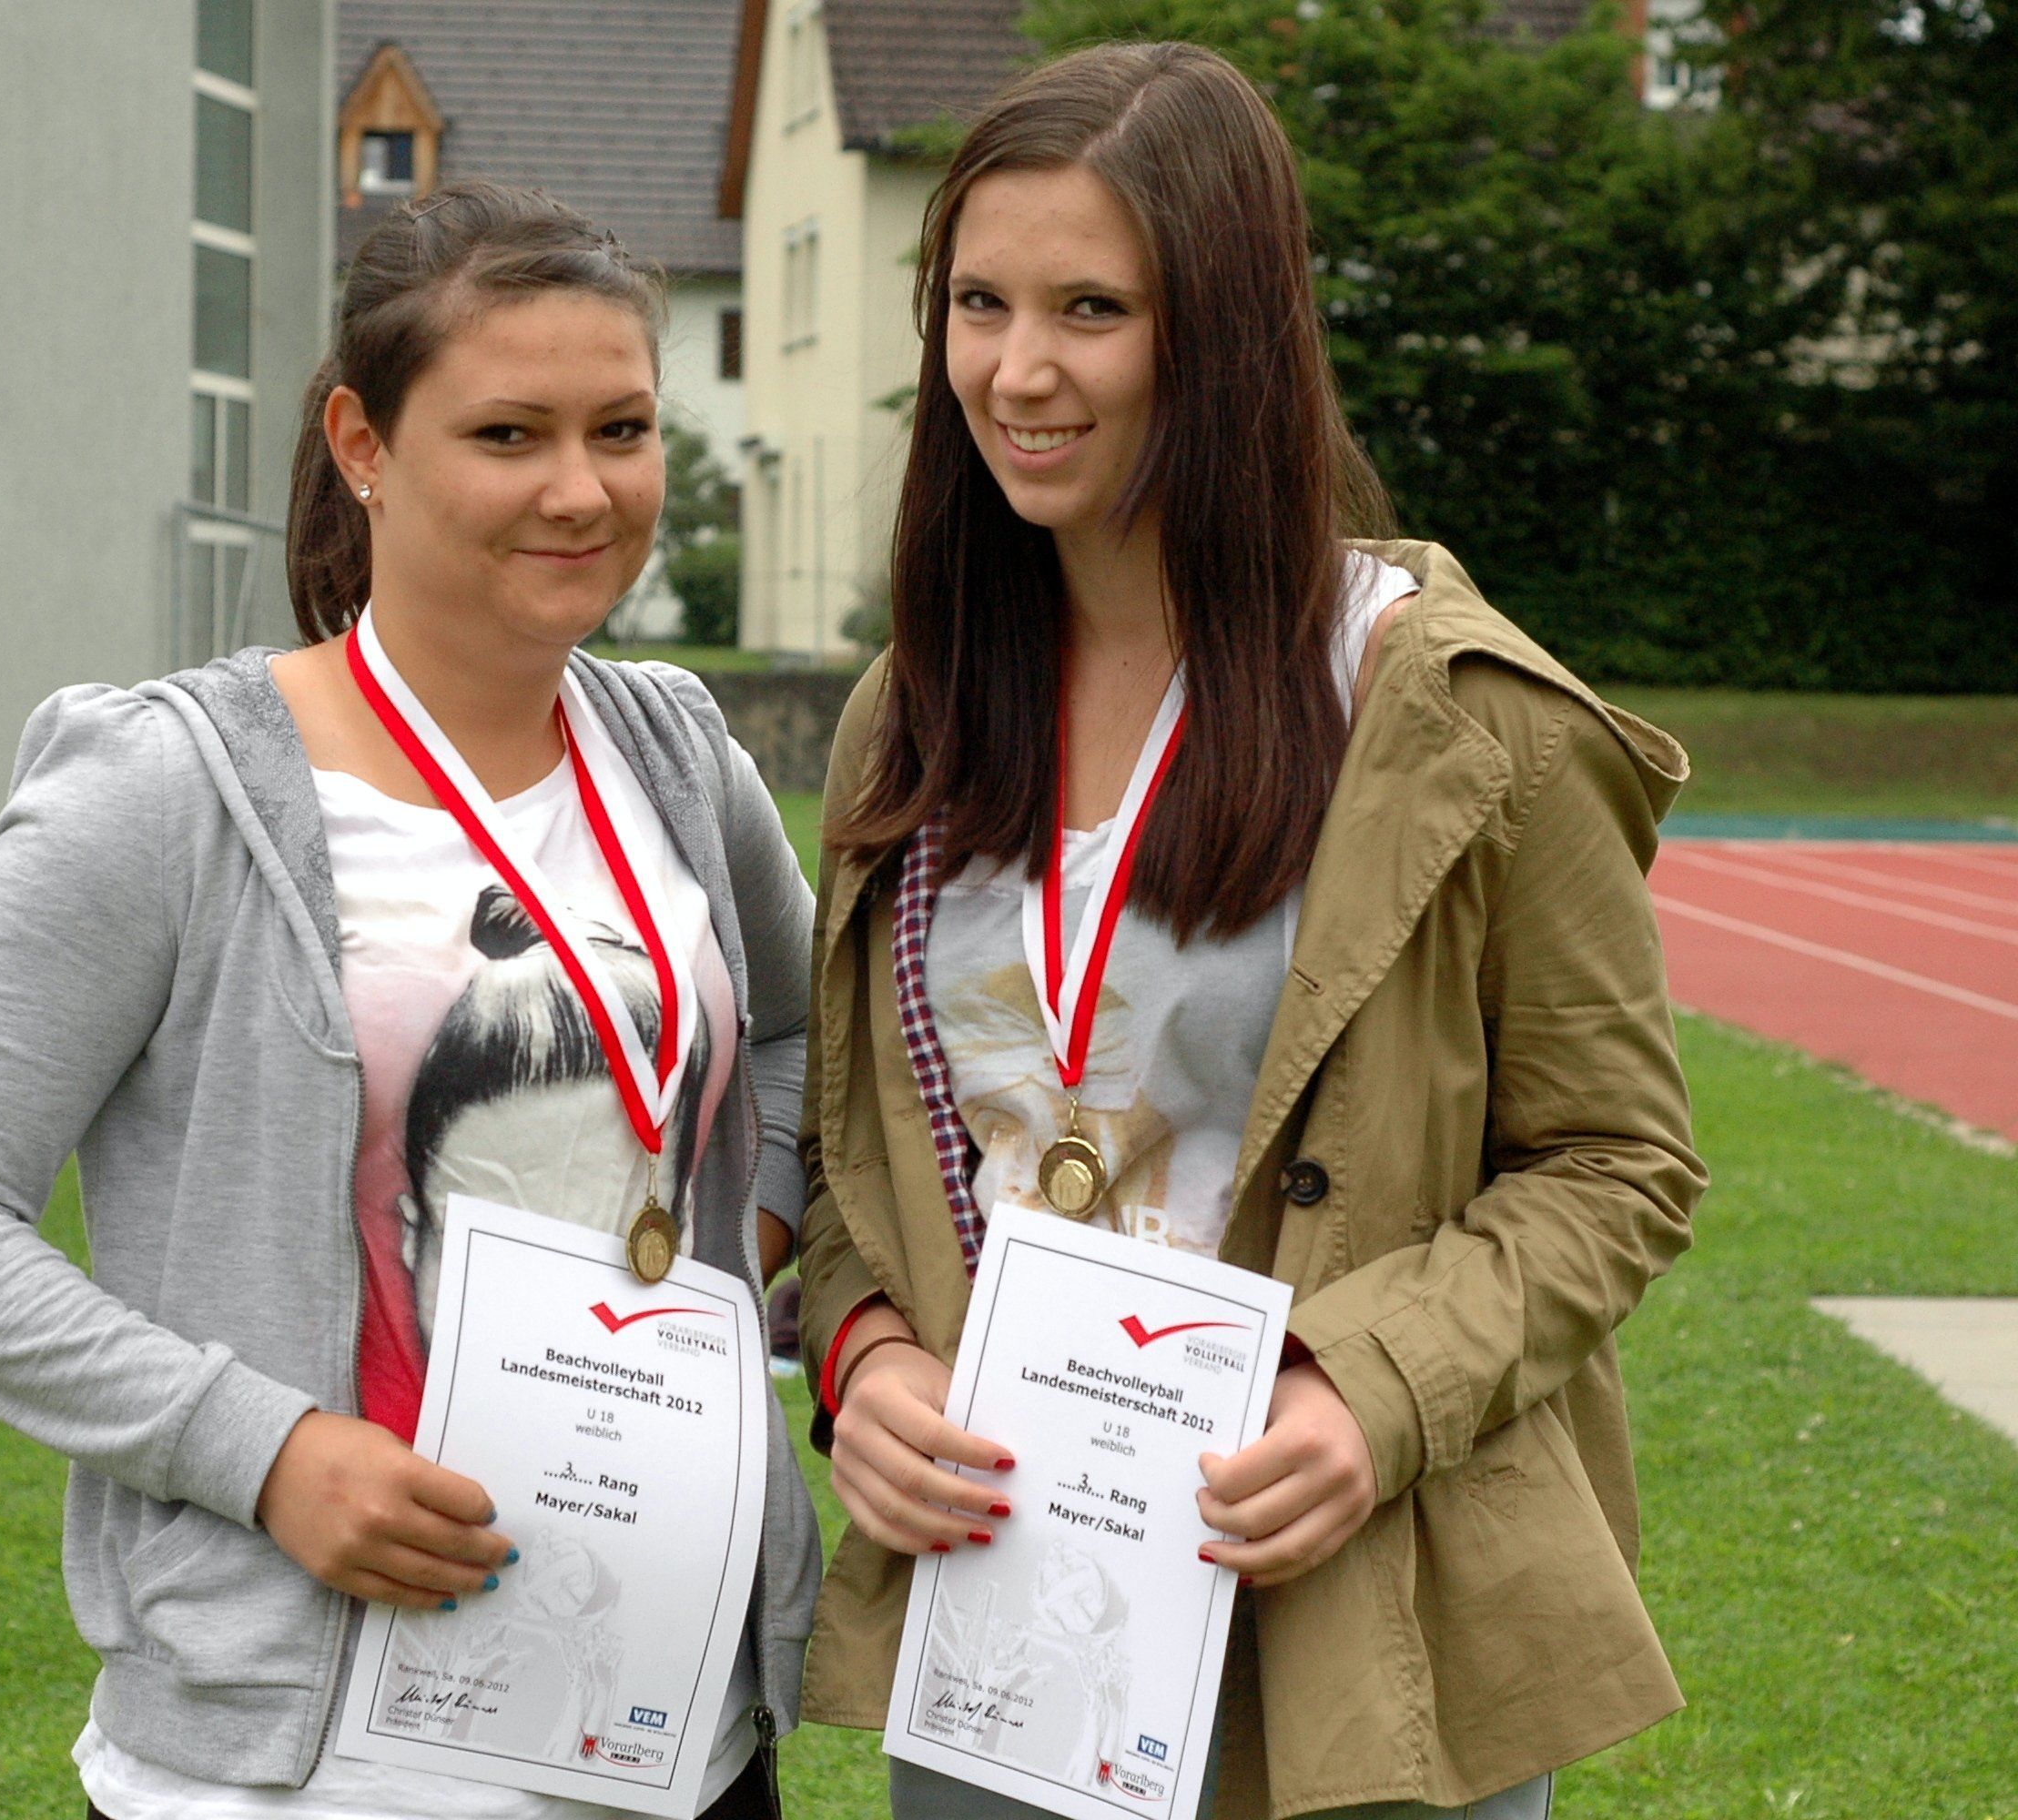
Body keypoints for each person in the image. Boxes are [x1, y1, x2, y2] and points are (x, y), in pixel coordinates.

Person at [0, 180, 819, 1820]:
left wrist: (735, 1235)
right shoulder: (167, 788)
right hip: (311, 1772)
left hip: (668, 1737)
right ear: (363, 443)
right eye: (507, 435)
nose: (581, 490)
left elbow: (795, 1038)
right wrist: (265, 1451)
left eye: (623, 430)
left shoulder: (674, 754)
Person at [792, 42, 1706, 1820]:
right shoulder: (912, 713)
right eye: (978, 304)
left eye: (1091, 309)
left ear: (1223, 334)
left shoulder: (1457, 719)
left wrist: (1369, 1393)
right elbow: (854, 1157)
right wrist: (866, 1356)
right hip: (1005, 1628)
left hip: (1346, 1622)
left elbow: (1616, 1164)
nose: (1017, 371)